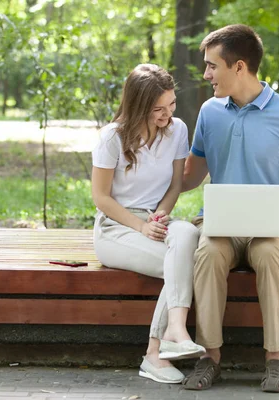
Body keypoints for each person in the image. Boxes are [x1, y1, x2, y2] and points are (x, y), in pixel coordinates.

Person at [181, 25, 279, 393]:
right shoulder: (209, 112)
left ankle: (276, 358)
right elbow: (189, 178)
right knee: (208, 253)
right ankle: (209, 356)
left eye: (212, 66)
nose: (206, 74)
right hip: (221, 227)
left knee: (271, 255)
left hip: (271, 228)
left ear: (239, 66)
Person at [91, 64, 204, 384]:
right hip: (117, 227)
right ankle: (156, 351)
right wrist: (140, 226)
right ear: (138, 106)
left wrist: (160, 216)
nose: (167, 114)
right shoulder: (111, 138)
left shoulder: (178, 130)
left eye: (171, 105)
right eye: (158, 109)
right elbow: (101, 198)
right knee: (183, 263)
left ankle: (174, 331)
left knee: (188, 232)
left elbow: (174, 185)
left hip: (156, 220)